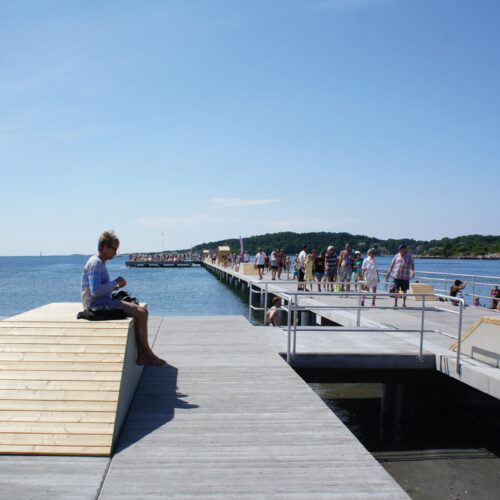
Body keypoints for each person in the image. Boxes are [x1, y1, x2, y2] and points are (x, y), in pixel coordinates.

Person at [81, 231, 166, 366]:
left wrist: (115, 287)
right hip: (95, 304)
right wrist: (116, 283)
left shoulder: (99, 262)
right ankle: (145, 354)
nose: (116, 252)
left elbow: (99, 289)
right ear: (104, 247)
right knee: (141, 313)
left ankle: (145, 353)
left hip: (101, 300)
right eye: (114, 249)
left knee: (143, 311)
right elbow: (95, 290)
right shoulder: (96, 263)